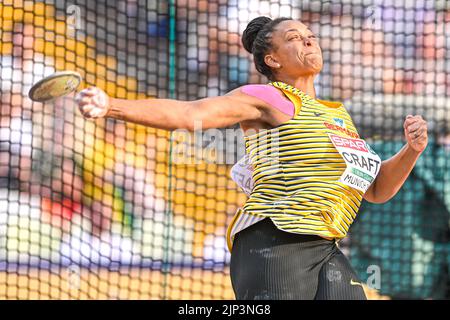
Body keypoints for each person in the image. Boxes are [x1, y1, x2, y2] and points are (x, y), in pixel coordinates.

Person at [75, 16, 428, 300]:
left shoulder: (337, 114)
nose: (308, 40)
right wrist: (111, 106)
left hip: (326, 246)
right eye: (293, 37)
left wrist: (410, 150)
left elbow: (377, 188)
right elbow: (189, 114)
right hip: (275, 241)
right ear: (272, 59)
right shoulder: (268, 97)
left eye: (309, 35)